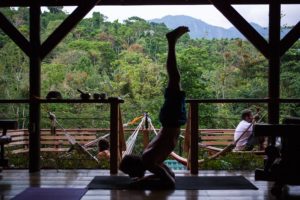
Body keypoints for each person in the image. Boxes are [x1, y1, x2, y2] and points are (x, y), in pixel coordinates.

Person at [119, 26, 189, 188]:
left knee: (175, 78)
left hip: (172, 119)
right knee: (175, 79)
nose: (131, 176)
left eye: (130, 173)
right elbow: (170, 176)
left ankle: (171, 41)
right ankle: (171, 41)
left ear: (134, 167)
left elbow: (170, 183)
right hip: (171, 120)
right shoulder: (149, 160)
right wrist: (146, 179)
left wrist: (141, 182)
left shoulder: (149, 160)